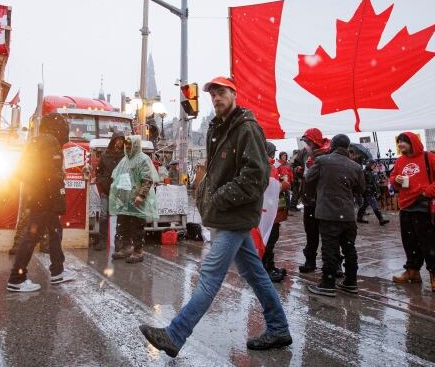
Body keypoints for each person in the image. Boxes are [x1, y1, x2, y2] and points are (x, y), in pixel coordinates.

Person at [139, 76, 290, 358]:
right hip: (227, 214)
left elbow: (256, 176)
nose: (217, 98)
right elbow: (216, 170)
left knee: (208, 276)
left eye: (222, 93)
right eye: (213, 95)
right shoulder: (218, 128)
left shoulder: (246, 128)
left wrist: (219, 197)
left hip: (235, 215)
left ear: (234, 93)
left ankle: (175, 334)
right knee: (255, 274)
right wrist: (206, 191)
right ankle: (279, 327)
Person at [8, 113, 73, 292]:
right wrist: (58, 199)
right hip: (46, 198)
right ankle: (16, 278)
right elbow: (54, 176)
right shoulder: (51, 143)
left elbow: (20, 171)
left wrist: (34, 185)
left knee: (54, 232)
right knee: (32, 236)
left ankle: (58, 271)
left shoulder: (35, 141)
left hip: (36, 195)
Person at [303, 134, 364, 297]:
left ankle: (328, 284)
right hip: (348, 214)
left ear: (333, 145)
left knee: (329, 248)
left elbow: (308, 178)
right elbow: (360, 189)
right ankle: (351, 282)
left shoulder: (323, 161)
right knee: (350, 248)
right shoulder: (356, 167)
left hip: (328, 213)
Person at [390, 132, 435, 293]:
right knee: (409, 242)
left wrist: (427, 192)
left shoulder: (429, 157)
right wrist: (394, 180)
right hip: (405, 206)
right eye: (399, 142)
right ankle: (413, 271)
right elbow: (393, 177)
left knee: (429, 242)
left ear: (413, 142)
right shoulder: (400, 161)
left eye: (404, 141)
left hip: (423, 207)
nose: (401, 144)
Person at [108, 135, 159, 264]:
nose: (128, 147)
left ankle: (138, 250)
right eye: (127, 145)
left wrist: (141, 195)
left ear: (136, 145)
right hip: (125, 201)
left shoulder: (143, 159)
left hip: (137, 201)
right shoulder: (124, 160)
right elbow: (117, 177)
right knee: (123, 225)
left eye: (131, 145)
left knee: (137, 227)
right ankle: (126, 247)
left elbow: (147, 179)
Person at [294, 127, 332, 274]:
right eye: (305, 142)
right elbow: (295, 165)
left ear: (315, 141)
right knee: (311, 233)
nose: (306, 145)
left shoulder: (329, 152)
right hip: (309, 200)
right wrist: (297, 169)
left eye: (308, 142)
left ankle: (333, 263)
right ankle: (310, 261)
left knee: (330, 234)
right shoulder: (304, 153)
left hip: (326, 199)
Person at [262, 142, 290, 283]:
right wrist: (283, 184)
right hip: (269, 210)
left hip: (269, 209)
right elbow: (271, 187)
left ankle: (269, 266)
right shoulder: (268, 166)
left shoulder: (265, 164)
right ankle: (265, 268)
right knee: (269, 239)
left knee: (270, 238)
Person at [95, 132, 125, 251]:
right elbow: (99, 170)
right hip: (106, 189)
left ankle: (118, 241)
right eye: (117, 140)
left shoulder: (124, 156)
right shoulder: (105, 155)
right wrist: (101, 182)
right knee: (103, 215)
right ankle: (102, 241)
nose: (119, 142)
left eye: (121, 140)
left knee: (119, 216)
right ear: (113, 141)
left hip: (118, 190)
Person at [357, 160, 388, 225]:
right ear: (369, 164)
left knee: (364, 205)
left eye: (375, 165)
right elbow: (362, 183)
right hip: (368, 192)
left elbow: (372, 182)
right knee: (375, 205)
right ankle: (381, 219)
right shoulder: (364, 172)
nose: (374, 166)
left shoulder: (370, 172)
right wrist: (369, 187)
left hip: (369, 191)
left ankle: (359, 218)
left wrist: (377, 183)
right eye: (373, 165)